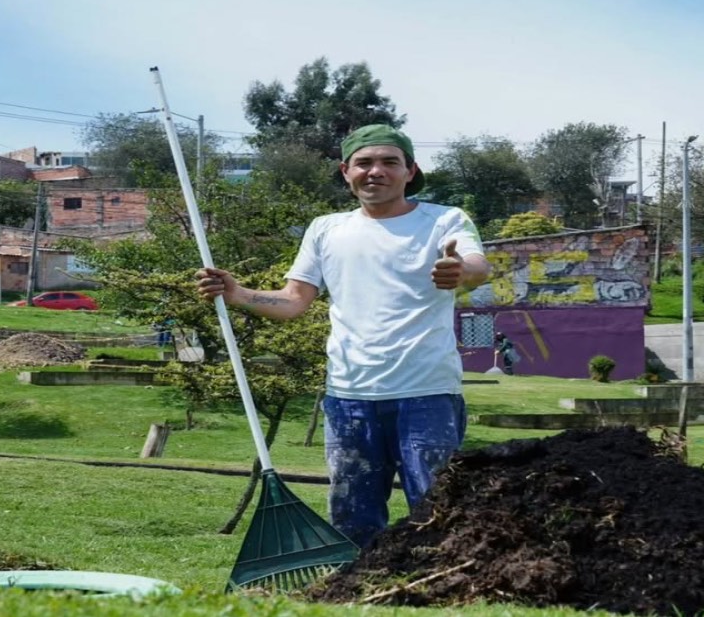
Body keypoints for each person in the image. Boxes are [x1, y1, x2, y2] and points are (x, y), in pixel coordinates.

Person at [197, 124, 491, 547]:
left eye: (390, 162)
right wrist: (237, 292)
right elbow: (295, 300)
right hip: (350, 398)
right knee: (352, 517)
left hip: (427, 395)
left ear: (410, 170)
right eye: (364, 162)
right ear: (345, 172)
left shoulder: (444, 220)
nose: (376, 171)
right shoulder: (325, 229)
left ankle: (441, 595)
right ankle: (359, 597)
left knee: (438, 511)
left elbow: (477, 264)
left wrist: (461, 272)